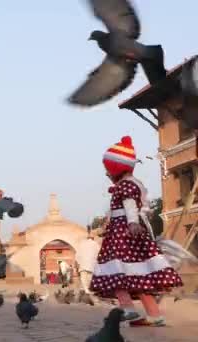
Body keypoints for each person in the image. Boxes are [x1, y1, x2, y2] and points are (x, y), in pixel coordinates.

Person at [90, 136, 183, 327]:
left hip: (123, 234)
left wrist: (131, 223)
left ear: (116, 167)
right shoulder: (134, 183)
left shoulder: (125, 185)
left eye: (108, 169)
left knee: (116, 270)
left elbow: (130, 206)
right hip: (130, 232)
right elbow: (139, 207)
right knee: (139, 276)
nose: (107, 173)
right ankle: (154, 315)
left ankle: (128, 308)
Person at [76, 228, 100, 295]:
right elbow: (99, 253)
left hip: (83, 264)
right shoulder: (96, 244)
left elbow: (78, 254)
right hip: (91, 264)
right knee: (89, 278)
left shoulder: (82, 243)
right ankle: (87, 289)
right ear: (93, 238)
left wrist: (78, 263)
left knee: (83, 277)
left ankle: (85, 289)